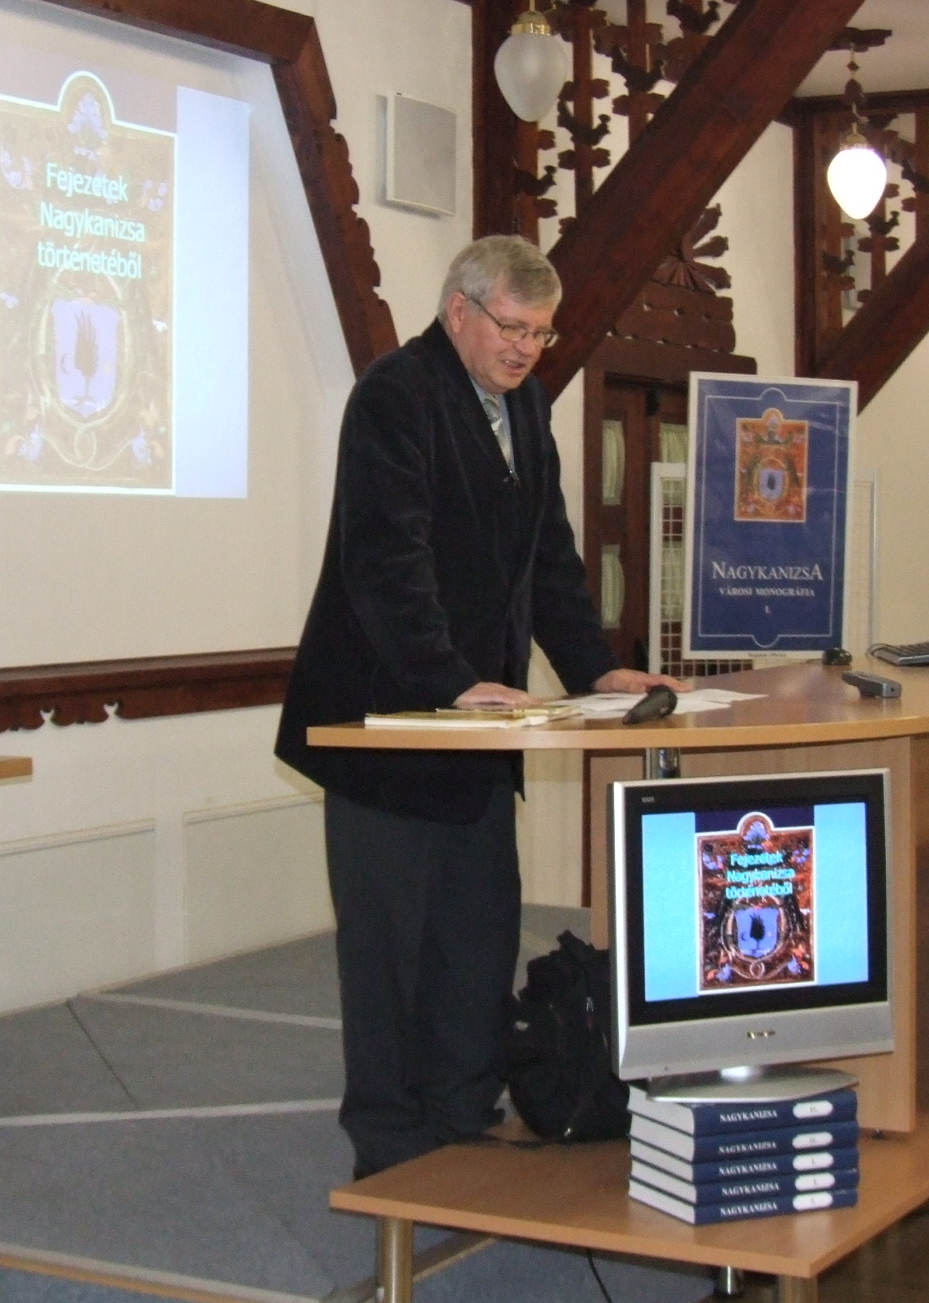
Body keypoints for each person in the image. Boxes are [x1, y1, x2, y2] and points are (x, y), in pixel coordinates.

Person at [276, 234, 685, 1178]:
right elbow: (387, 563)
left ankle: (462, 1110)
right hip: (386, 728)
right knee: (390, 954)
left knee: (477, 934)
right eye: (513, 328)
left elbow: (551, 559)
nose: (527, 349)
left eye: (541, 334)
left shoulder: (527, 406)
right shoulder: (395, 395)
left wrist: (595, 671)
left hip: (479, 730)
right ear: (459, 310)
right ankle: (389, 1141)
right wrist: (449, 681)